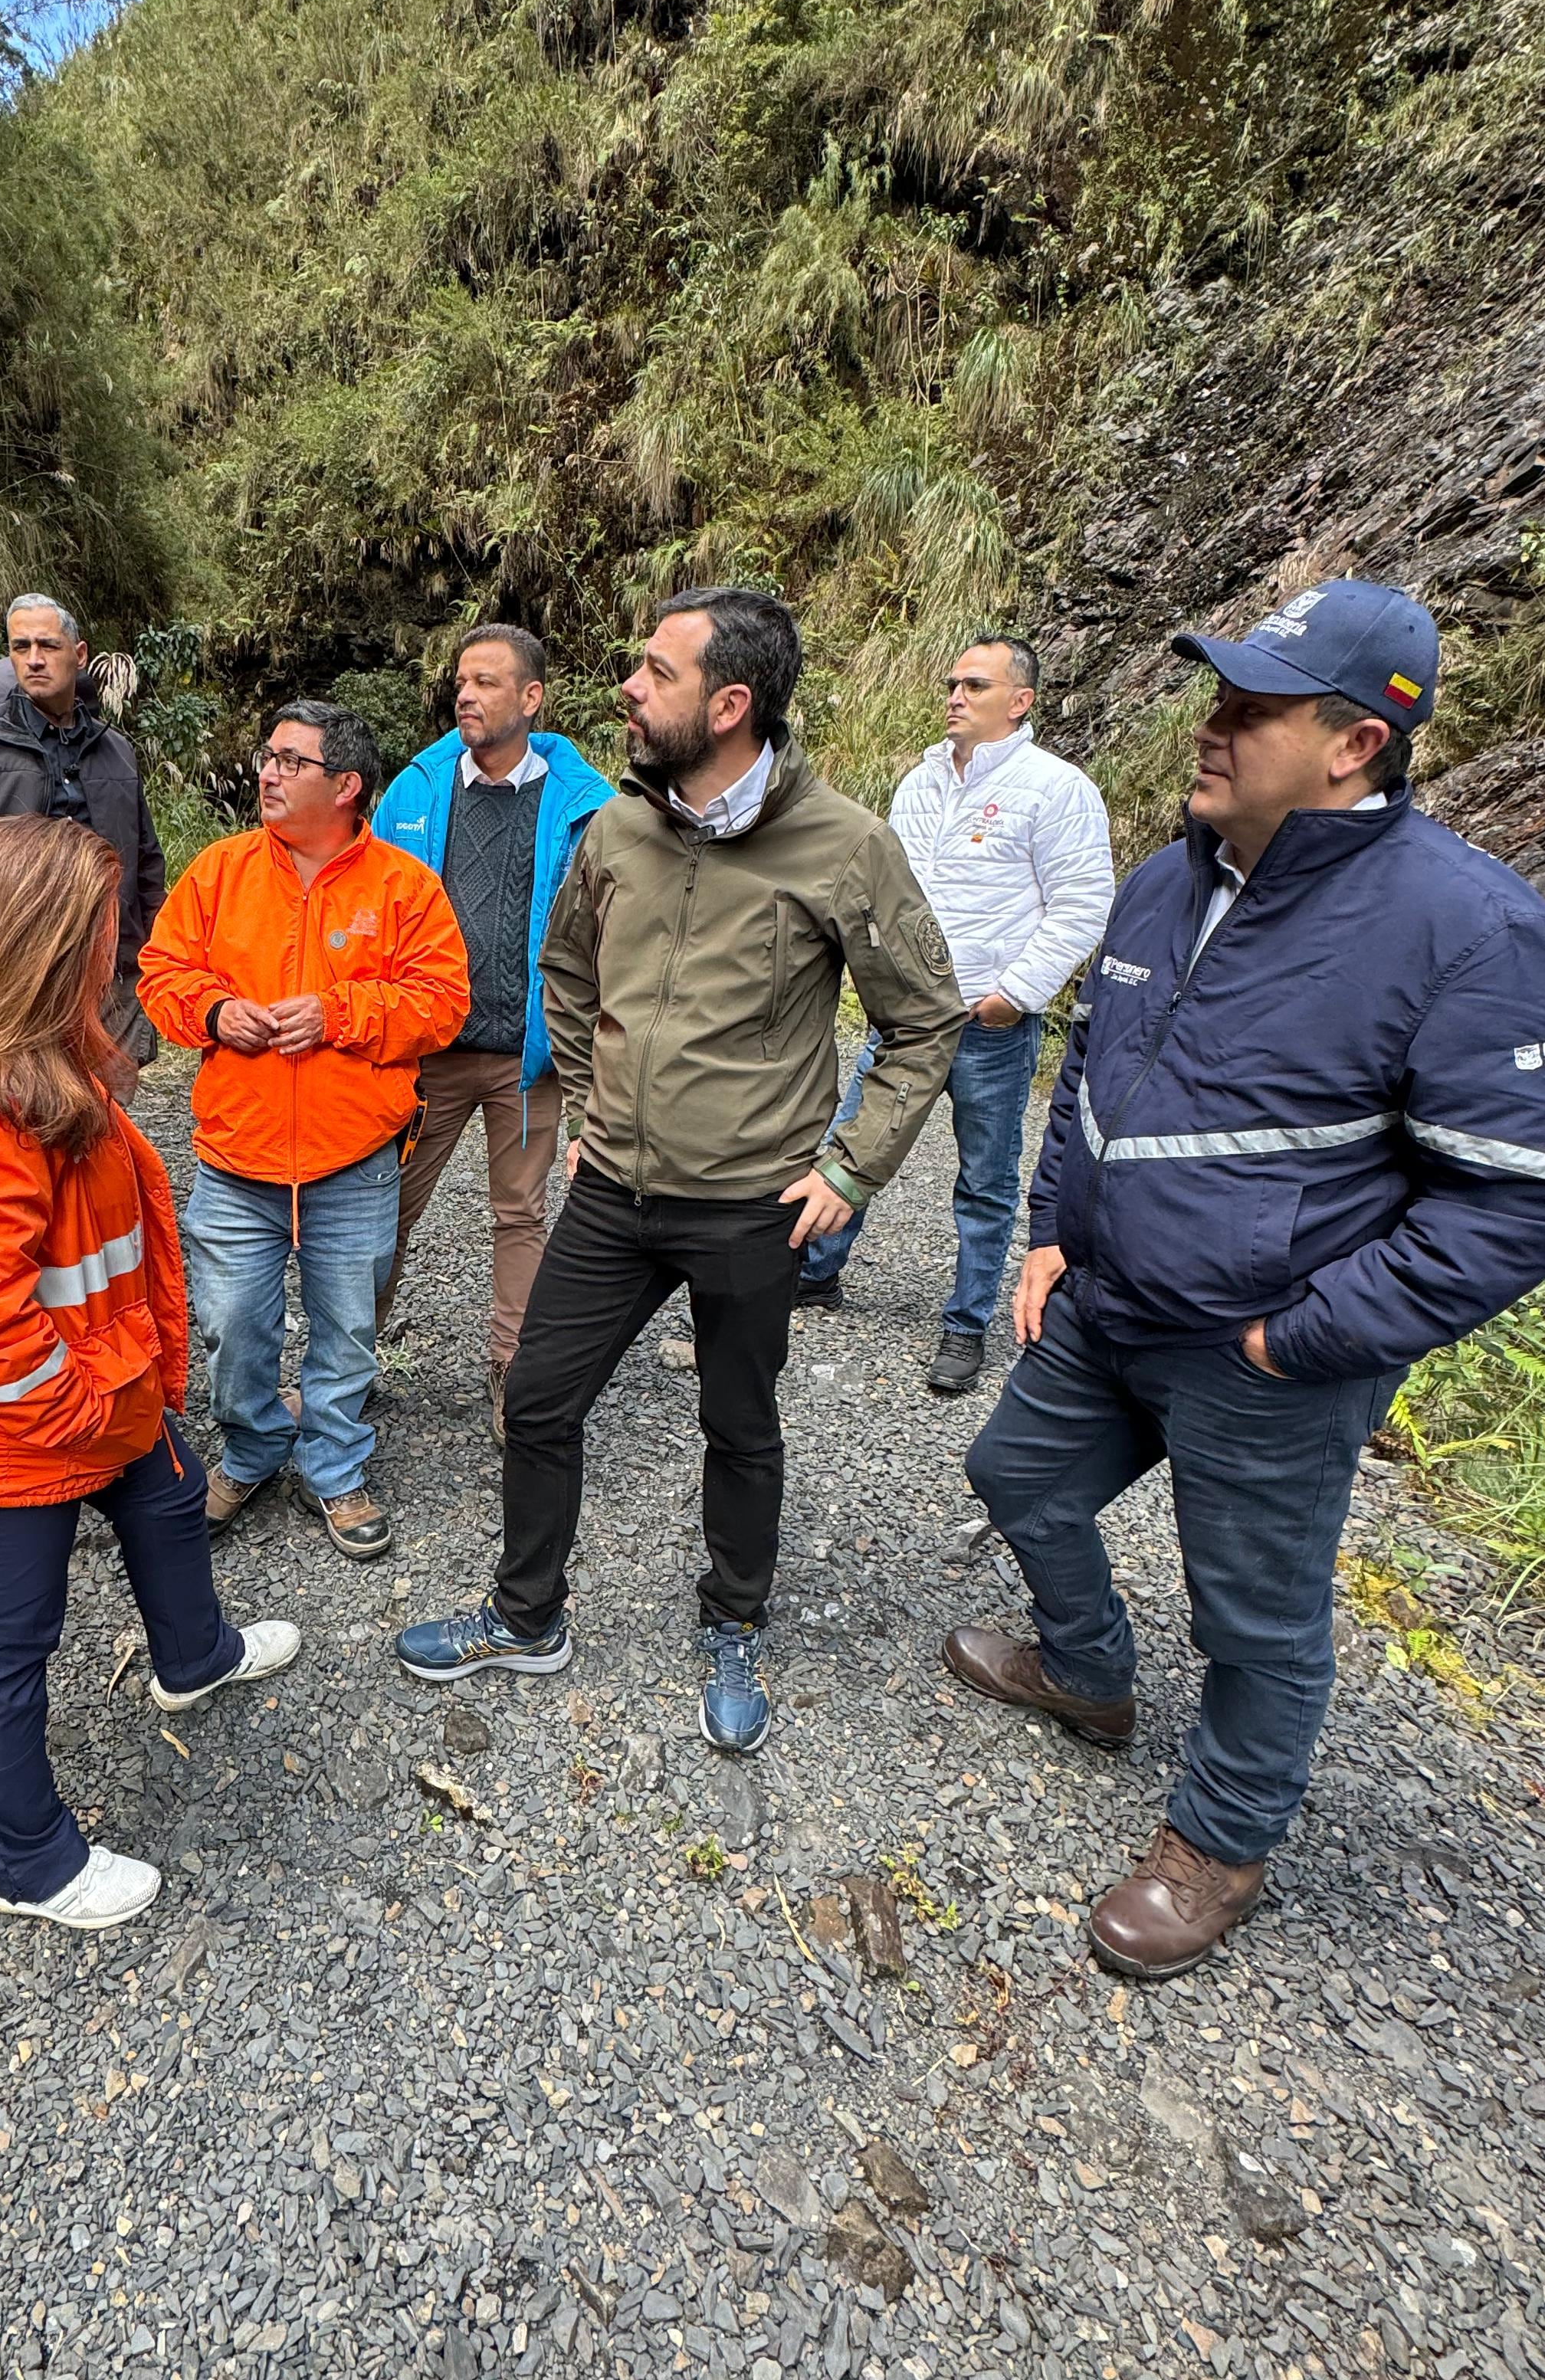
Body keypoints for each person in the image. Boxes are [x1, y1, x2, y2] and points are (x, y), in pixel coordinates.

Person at [953, 579, 1545, 1978]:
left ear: (1354, 743)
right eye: (1216, 697)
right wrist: (1054, 1223)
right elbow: (1090, 1070)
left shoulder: (1466, 929)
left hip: (1263, 1348)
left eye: (1251, 708)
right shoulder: (1168, 870)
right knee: (1014, 1473)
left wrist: (1297, 1338)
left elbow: (1530, 1198)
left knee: (1250, 1612)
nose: (1210, 727)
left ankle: (1218, 1842)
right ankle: (1083, 1670)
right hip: (1109, 1302)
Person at [395, 587, 968, 1752]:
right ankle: (527, 1614)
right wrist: (599, 1094)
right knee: (544, 1399)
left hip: (753, 1206)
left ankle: (734, 1619)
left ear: (731, 704)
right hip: (612, 1193)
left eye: (657, 672)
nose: (631, 686)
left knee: (739, 1423)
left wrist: (851, 1175)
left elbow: (924, 1023)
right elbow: (565, 966)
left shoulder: (847, 847)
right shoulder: (618, 828)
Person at [0, 815, 300, 1933]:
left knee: (168, 1497)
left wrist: (108, 1396)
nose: (121, 942)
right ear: (41, 945)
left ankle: (193, 1655)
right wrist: (79, 1409)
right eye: (103, 927)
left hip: (90, 1377)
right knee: (2, 1641)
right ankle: (22, 1861)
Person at [138, 702, 470, 1562]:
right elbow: (162, 972)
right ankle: (250, 1451)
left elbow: (442, 1006)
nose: (268, 773)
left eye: (290, 761)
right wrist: (214, 1011)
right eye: (269, 756)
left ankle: (335, 1467)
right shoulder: (219, 872)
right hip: (237, 1160)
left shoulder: (404, 886)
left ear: (347, 785)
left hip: (354, 1160)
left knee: (347, 1327)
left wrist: (338, 1013)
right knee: (233, 1321)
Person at [799, 636, 1113, 1395]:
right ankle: (814, 1275)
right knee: (854, 1147)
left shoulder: (1056, 790)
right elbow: (885, 894)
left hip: (989, 1026)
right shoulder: (921, 784)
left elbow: (1083, 905)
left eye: (975, 684)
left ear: (1020, 701)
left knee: (986, 1184)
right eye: (951, 683)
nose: (955, 696)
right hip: (905, 1019)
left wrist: (1014, 995)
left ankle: (966, 1326)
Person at [369, 625, 613, 1434]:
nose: (465, 696)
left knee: (521, 1215)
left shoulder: (585, 804)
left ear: (532, 698)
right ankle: (347, 1364)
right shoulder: (416, 789)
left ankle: (514, 1372)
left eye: (486, 683)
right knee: (384, 1210)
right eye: (461, 682)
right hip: (426, 1055)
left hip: (528, 1058)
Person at [0, 594, 166, 1071]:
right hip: (14, 965)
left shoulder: (116, 750)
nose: (34, 659)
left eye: (48, 645)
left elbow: (146, 856)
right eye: (20, 646)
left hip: (110, 963)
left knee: (107, 1112)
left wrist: (151, 950)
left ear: (79, 654)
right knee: (22, 1106)